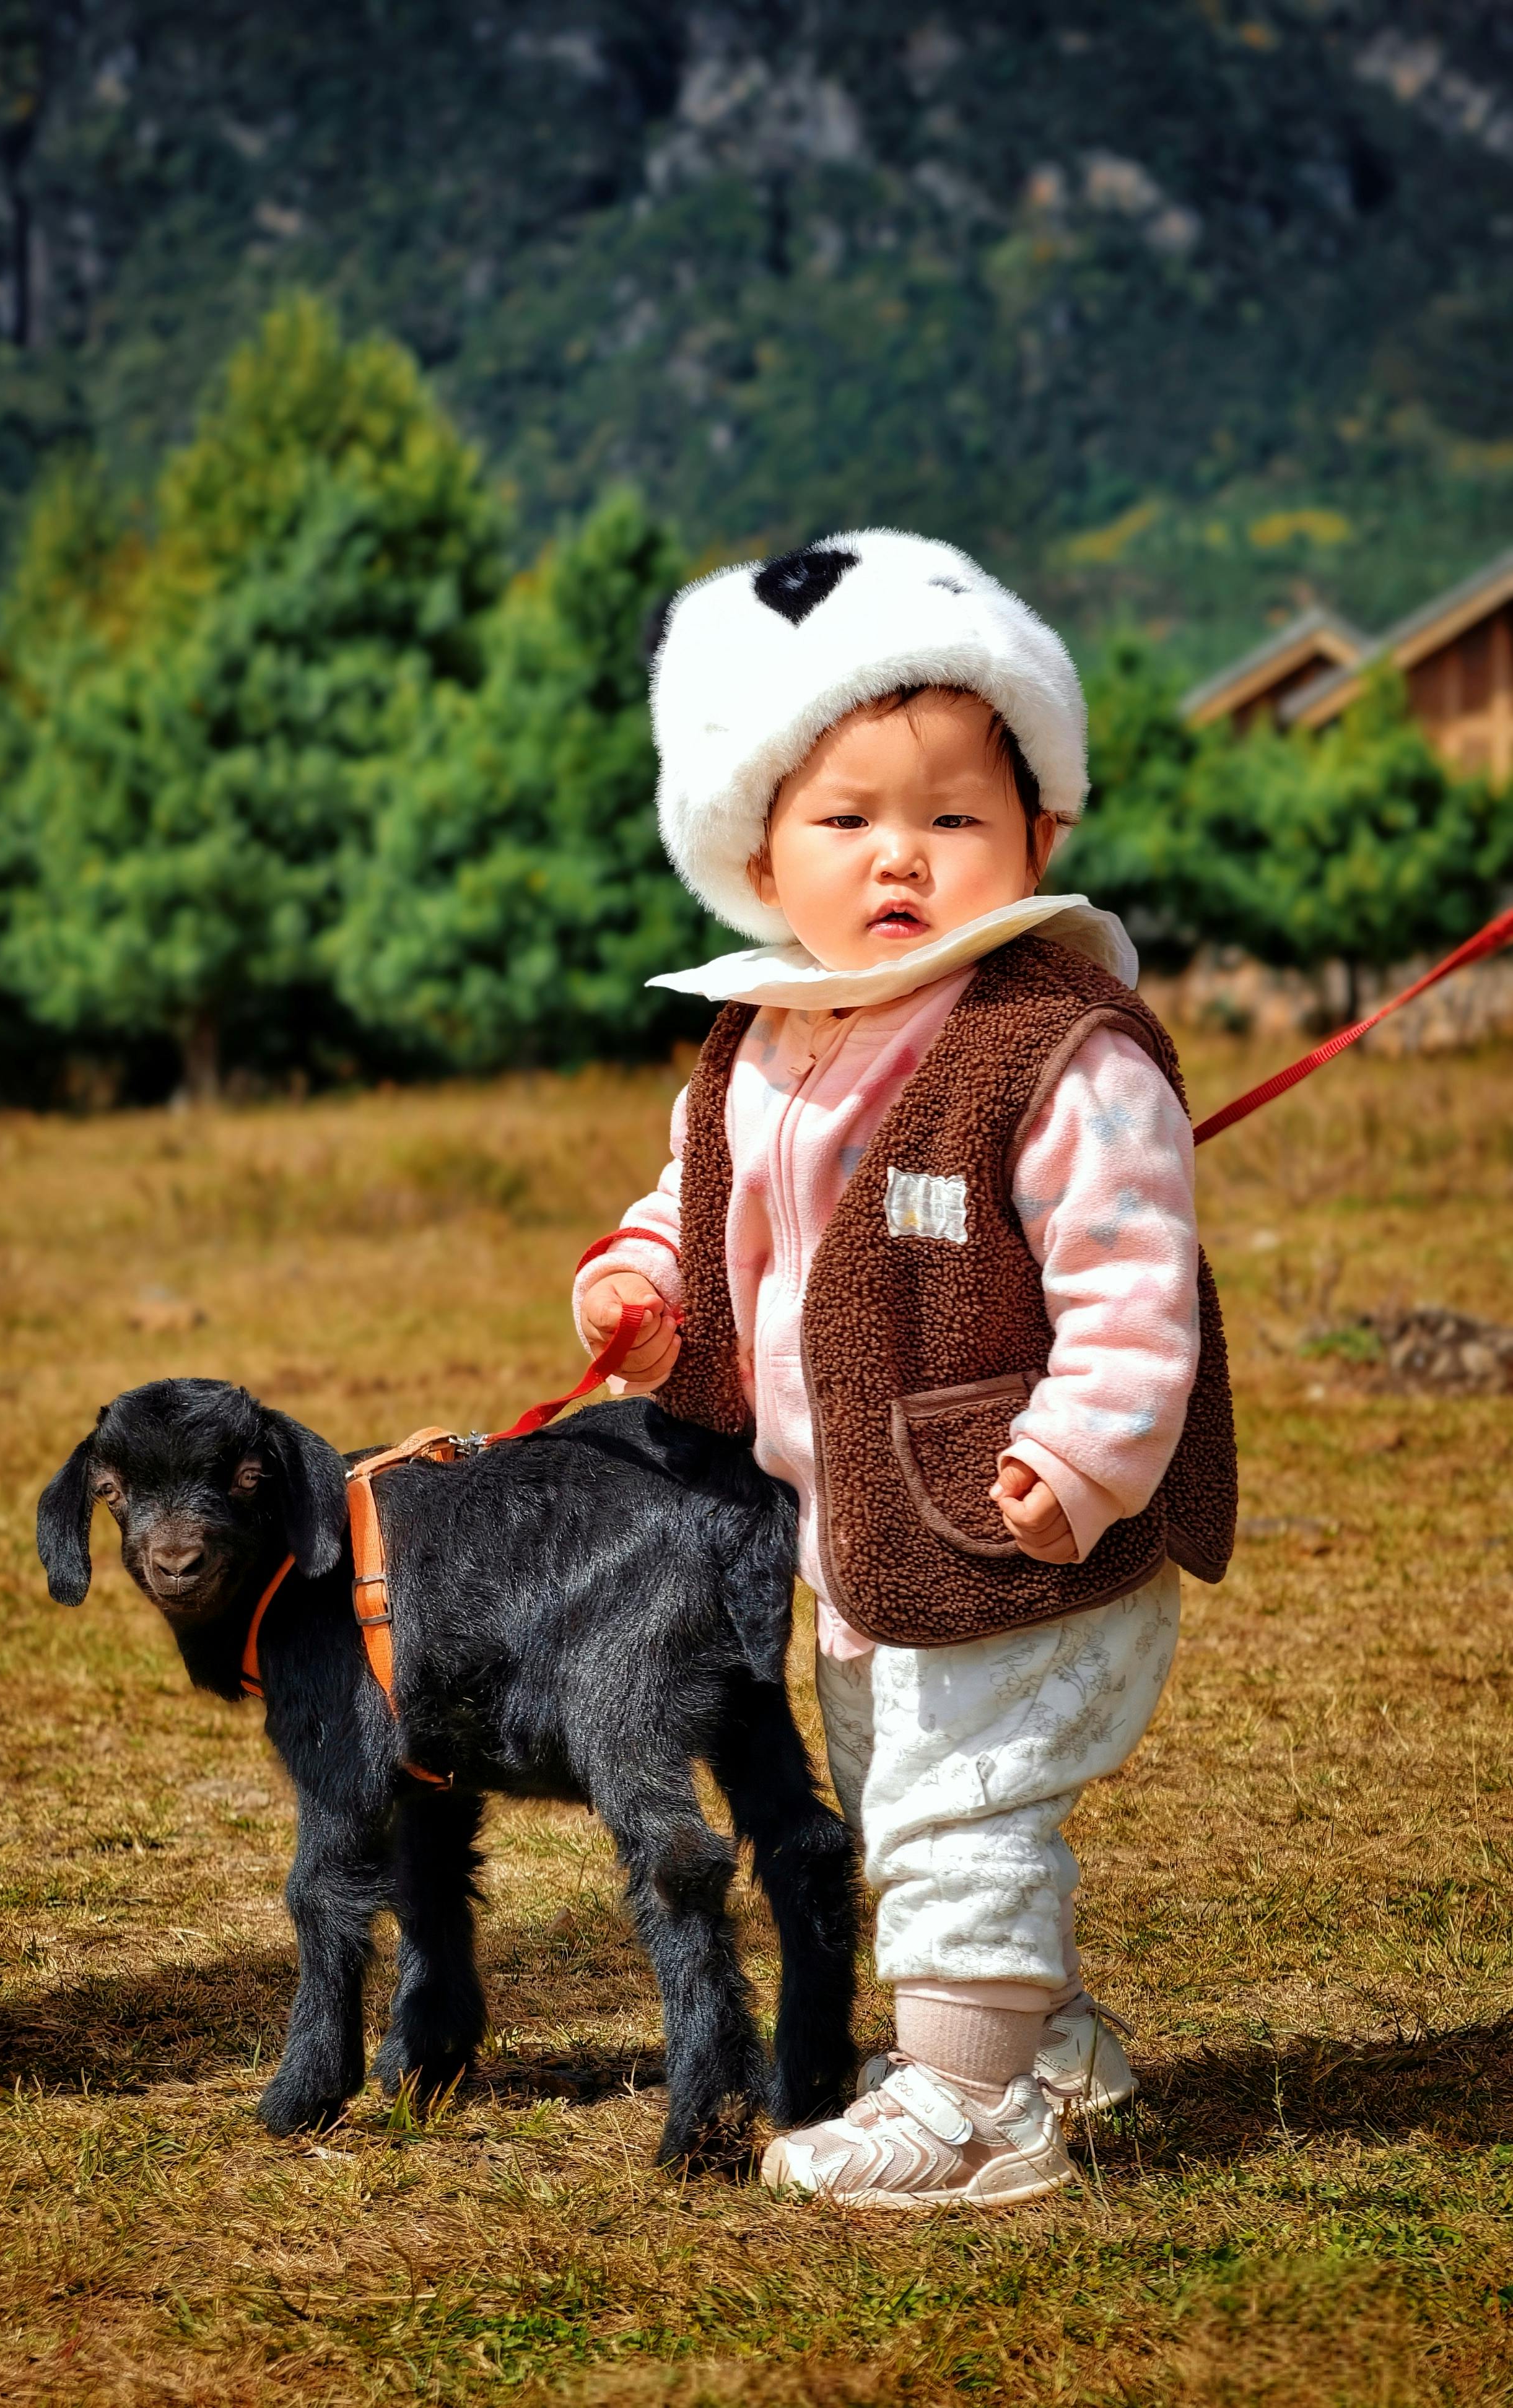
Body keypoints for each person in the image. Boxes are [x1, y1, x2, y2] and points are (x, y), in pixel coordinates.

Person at [573, 531, 1236, 2209]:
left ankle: (969, 2104)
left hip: (1022, 1513)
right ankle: (1041, 2036)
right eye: (846, 820)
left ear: (1038, 834)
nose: (902, 859)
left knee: (959, 1796)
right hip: (862, 1521)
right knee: (896, 1775)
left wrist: (1084, 1450)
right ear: (753, 850)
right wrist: (645, 1281)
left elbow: (1134, 1280)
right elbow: (698, 1199)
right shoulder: (766, 1033)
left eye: (952, 817)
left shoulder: (1049, 1044)